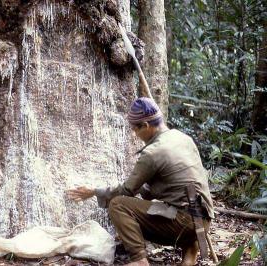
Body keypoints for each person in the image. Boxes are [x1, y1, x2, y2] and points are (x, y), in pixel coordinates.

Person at [67, 97, 214, 266]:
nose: (134, 135)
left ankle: (139, 260)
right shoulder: (182, 138)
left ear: (145, 125)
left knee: (118, 204)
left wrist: (94, 191)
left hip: (183, 223)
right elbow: (155, 189)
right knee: (172, 207)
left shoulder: (152, 152)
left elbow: (126, 191)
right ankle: (190, 250)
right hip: (202, 221)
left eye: (135, 130)